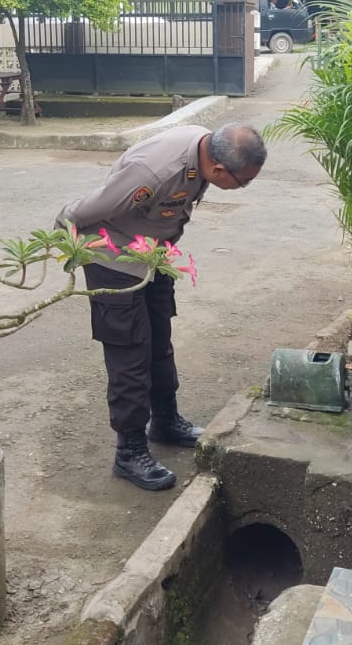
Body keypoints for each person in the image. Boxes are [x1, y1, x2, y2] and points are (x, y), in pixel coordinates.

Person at [59, 123, 266, 491]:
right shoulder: (154, 173)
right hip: (114, 259)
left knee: (158, 341)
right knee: (129, 352)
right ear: (219, 169)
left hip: (152, 254)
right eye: (243, 182)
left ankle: (165, 422)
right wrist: (70, 248)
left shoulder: (204, 151)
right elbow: (83, 211)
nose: (243, 187)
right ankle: (129, 451)